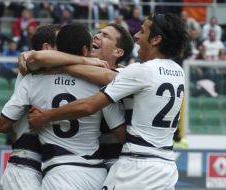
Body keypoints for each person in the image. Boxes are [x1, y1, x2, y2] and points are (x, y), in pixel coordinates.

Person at [27, 13, 189, 189]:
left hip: (136, 167)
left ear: (156, 39)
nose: (136, 35)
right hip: (165, 167)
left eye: (142, 32)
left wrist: (46, 116)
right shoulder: (178, 71)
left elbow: (89, 105)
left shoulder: (139, 72)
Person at [4, 23, 128, 190]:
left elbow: (108, 79)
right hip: (94, 170)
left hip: (115, 167)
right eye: (97, 33)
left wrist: (46, 115)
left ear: (118, 52)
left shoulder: (126, 75)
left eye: (105, 36)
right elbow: (36, 59)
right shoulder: (94, 83)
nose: (96, 36)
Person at [0, 24, 61, 190]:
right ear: (47, 48)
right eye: (62, 43)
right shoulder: (31, 71)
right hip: (26, 165)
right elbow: (1, 125)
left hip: (52, 167)